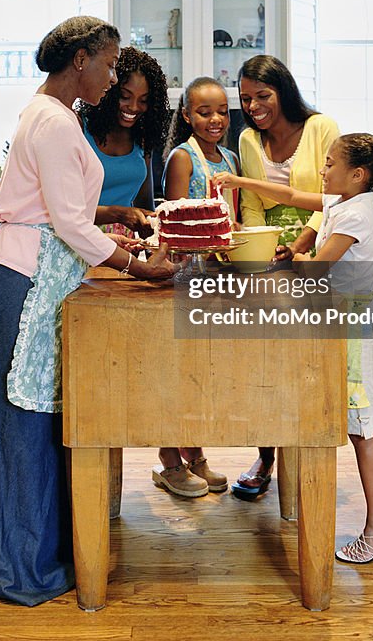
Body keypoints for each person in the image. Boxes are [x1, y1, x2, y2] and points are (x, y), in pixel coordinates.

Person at [0, 16, 175, 606]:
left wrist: (117, 219)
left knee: (28, 414)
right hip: (19, 278)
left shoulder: (54, 115)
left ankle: (6, 548)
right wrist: (137, 266)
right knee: (18, 417)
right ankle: (12, 562)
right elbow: (66, 222)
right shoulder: (51, 119)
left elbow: (62, 205)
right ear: (81, 60)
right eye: (111, 63)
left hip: (26, 269)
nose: (114, 75)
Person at [214, 132, 373, 564]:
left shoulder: (355, 214)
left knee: (363, 428)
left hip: (359, 329)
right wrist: (241, 182)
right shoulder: (348, 202)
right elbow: (287, 194)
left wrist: (293, 260)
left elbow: (317, 270)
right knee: (370, 424)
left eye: (329, 163)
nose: (322, 170)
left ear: (356, 174)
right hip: (355, 322)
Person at [232, 54, 339, 498]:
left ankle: (307, 459)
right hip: (271, 251)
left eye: (263, 96)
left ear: (284, 91)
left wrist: (300, 247)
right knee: (263, 361)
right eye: (246, 99)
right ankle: (268, 455)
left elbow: (334, 197)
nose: (254, 107)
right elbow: (254, 205)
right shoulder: (247, 140)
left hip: (321, 249)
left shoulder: (321, 128)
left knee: (308, 365)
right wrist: (258, 254)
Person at [151, 76, 239, 498]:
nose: (215, 119)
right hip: (187, 277)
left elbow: (233, 218)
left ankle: (195, 452)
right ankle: (169, 459)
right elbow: (175, 223)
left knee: (202, 373)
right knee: (175, 369)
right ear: (186, 115)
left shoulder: (230, 159)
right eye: (204, 112)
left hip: (220, 276)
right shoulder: (182, 159)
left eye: (222, 110)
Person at [77, 46, 171, 236]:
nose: (134, 107)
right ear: (108, 91)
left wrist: (154, 251)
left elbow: (144, 204)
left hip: (125, 248)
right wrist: (118, 214)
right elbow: (63, 212)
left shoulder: (142, 138)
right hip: (81, 242)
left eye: (144, 100)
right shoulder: (77, 127)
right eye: (125, 96)